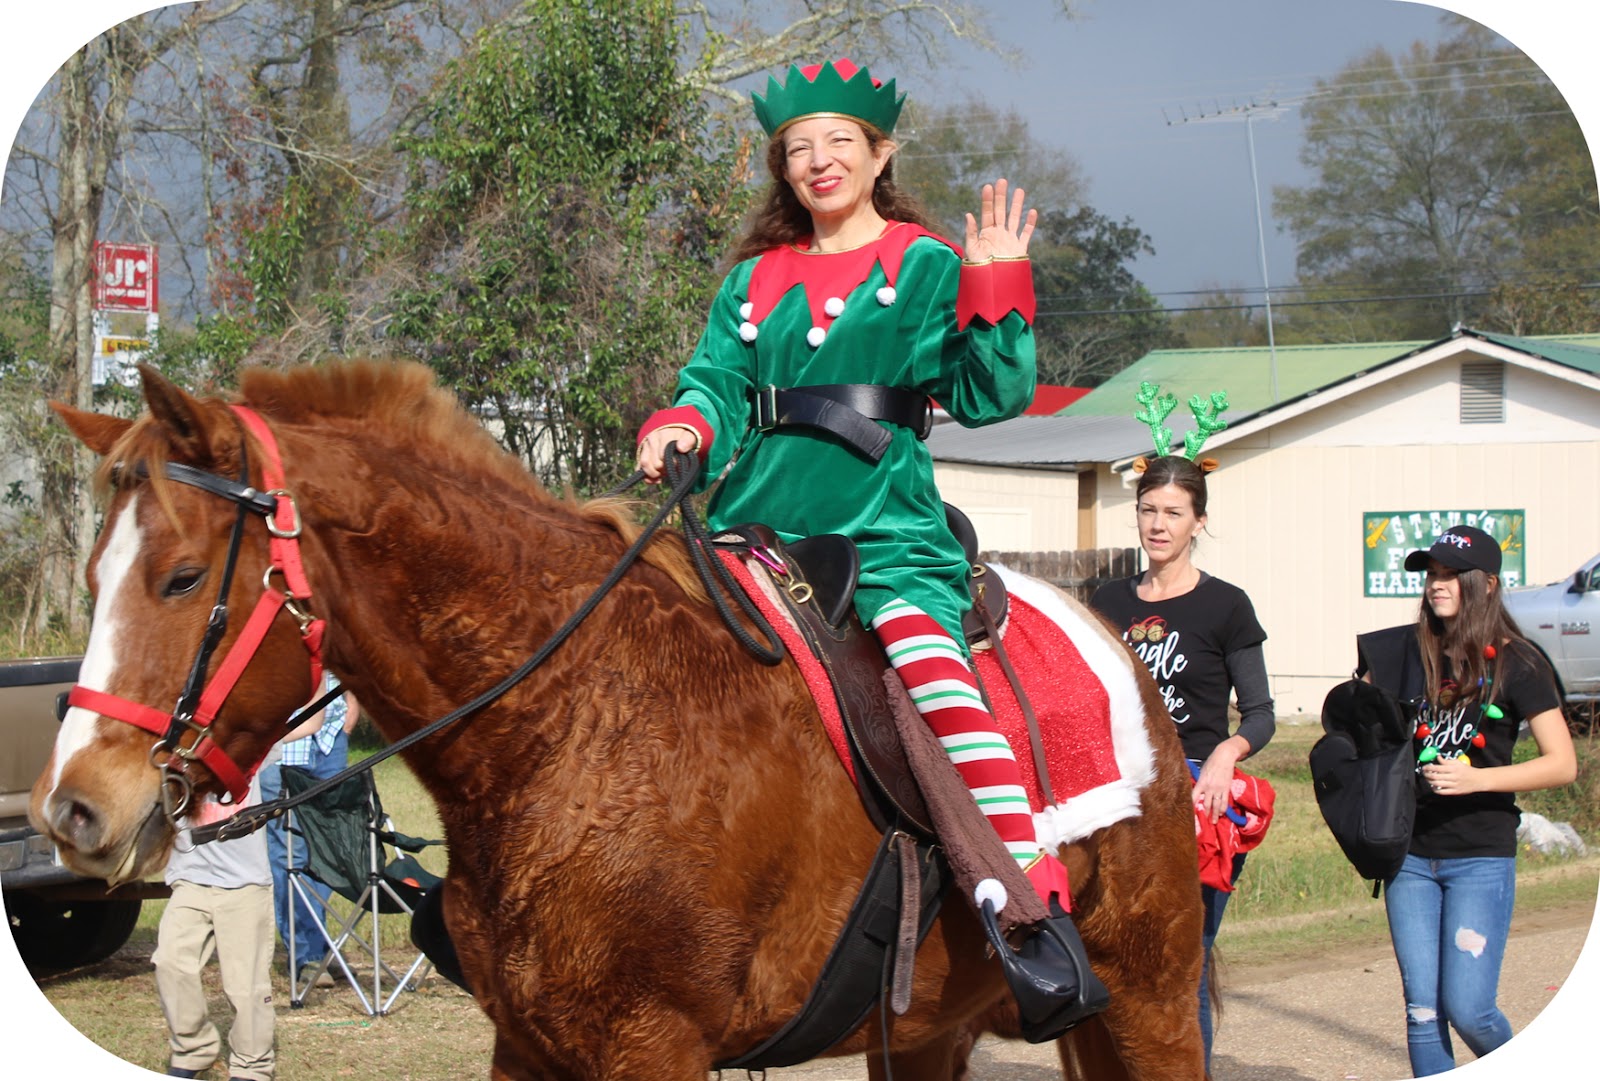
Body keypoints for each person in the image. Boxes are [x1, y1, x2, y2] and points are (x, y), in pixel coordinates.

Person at [635, 58, 1104, 1036]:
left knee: (934, 677)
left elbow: (989, 395)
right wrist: (683, 420)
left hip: (881, 529)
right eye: (798, 147)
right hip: (751, 524)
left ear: (879, 153)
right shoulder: (750, 281)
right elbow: (717, 382)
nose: (818, 160)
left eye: (838, 142)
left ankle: (1027, 918)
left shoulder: (925, 263)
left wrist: (997, 276)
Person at [1357, 525, 1575, 1077]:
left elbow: (1562, 763)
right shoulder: (1399, 654)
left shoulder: (1518, 663)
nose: (1436, 584)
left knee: (1470, 1009)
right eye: (1431, 574)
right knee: (1423, 1013)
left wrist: (1477, 780)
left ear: (1487, 584)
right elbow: (1357, 733)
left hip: (1479, 855)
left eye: (1451, 575)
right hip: (1408, 855)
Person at [1089, 451, 1276, 1069]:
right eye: (1147, 510)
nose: (1158, 524)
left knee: (1179, 965)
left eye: (1173, 512)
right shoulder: (1106, 600)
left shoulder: (1226, 606)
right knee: (1103, 960)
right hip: (1116, 802)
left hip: (1195, 802)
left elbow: (1261, 714)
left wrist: (1227, 752)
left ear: (1199, 520)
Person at [153, 778, 275, 1080]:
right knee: (169, 961)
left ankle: (252, 1065)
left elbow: (307, 726)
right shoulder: (169, 753)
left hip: (244, 885)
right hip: (190, 879)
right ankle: (193, 1050)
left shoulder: (252, 748)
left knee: (245, 984)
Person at [256, 674, 360, 985]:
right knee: (291, 852)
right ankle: (307, 954)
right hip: (285, 747)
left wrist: (351, 705)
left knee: (326, 850)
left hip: (330, 738)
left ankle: (320, 946)